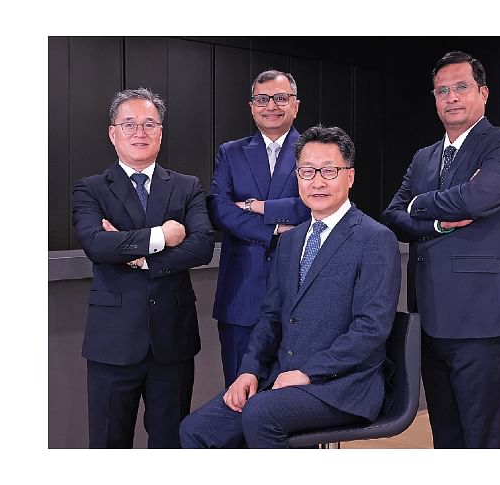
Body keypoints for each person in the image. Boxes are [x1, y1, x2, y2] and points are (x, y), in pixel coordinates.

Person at [180, 125, 401, 448]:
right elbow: (269, 317)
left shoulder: (375, 239)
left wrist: (308, 373)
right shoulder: (291, 239)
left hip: (343, 386)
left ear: (349, 177)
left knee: (260, 414)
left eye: (329, 170)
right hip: (281, 378)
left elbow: (370, 329)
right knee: (195, 429)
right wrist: (249, 371)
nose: (318, 181)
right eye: (307, 171)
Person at [382, 51, 500, 448]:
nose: (451, 97)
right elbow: (393, 215)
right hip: (430, 320)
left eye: (461, 87)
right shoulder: (424, 157)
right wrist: (434, 219)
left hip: (484, 321)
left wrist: (420, 203)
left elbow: (476, 199)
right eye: (442, 90)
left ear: (483, 92)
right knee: (446, 438)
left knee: (484, 441)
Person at [71, 87, 215, 448]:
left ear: (161, 132)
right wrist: (161, 236)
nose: (140, 132)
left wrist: (137, 256)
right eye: (130, 124)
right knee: (108, 445)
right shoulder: (90, 189)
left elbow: (201, 247)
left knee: (169, 445)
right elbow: (96, 244)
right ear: (112, 133)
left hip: (172, 342)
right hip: (112, 344)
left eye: (150, 124)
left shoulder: (186, 186)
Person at [208, 70, 310, 387]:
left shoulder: (315, 150)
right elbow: (219, 210)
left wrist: (257, 206)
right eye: (262, 99)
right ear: (251, 106)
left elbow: (313, 204)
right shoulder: (231, 152)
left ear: (295, 105)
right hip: (242, 294)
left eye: (281, 98)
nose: (271, 106)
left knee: (294, 405)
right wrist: (275, 229)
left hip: (299, 291)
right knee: (238, 395)